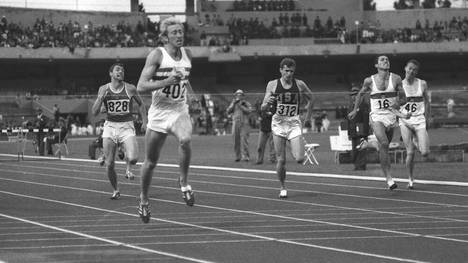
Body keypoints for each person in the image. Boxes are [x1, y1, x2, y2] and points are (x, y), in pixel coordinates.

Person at [136, 17, 197, 223]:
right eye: (174, 33)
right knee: (151, 162)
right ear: (165, 37)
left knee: (186, 139)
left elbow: (184, 78)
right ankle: (144, 200)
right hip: (159, 113)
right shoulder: (157, 55)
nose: (179, 35)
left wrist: (192, 94)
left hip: (179, 109)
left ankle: (184, 182)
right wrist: (166, 81)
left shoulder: (188, 54)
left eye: (181, 31)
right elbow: (141, 86)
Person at [348, 55, 410, 190]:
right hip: (376, 117)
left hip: (391, 116)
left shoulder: (396, 79)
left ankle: (369, 143)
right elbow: (360, 94)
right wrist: (354, 110)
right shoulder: (369, 81)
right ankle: (389, 179)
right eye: (382, 60)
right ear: (376, 65)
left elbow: (404, 99)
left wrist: (396, 105)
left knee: (384, 148)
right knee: (384, 143)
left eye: (387, 59)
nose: (386, 61)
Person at [91, 62, 147, 200]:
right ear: (111, 73)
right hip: (110, 127)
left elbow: (141, 104)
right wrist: (100, 97)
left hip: (126, 126)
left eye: (122, 70)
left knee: (133, 158)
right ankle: (116, 190)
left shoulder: (130, 88)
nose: (120, 72)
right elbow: (94, 112)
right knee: (110, 164)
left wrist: (145, 121)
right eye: (117, 70)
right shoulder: (103, 89)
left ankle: (128, 166)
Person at [261, 57, 314, 198]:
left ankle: (293, 144)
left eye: (291, 71)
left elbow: (312, 98)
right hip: (278, 123)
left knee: (299, 159)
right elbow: (263, 107)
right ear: (281, 70)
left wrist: (308, 117)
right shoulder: (272, 85)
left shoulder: (300, 84)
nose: (289, 74)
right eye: (286, 71)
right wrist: (268, 102)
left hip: (294, 123)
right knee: (281, 160)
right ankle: (282, 187)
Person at [399, 59, 431, 189]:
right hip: (405, 121)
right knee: (410, 152)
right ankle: (410, 179)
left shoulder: (422, 84)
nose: (411, 71)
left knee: (425, 153)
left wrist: (427, 118)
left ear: (417, 72)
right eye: (410, 68)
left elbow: (427, 102)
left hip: (419, 120)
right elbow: (394, 104)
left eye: (414, 69)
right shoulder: (399, 85)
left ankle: (416, 140)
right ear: (405, 68)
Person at [347, 84, 370, 170]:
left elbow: (366, 119)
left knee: (362, 149)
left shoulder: (364, 105)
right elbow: (349, 120)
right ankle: (357, 165)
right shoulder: (350, 106)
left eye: (355, 94)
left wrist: (365, 133)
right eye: (352, 95)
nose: (353, 97)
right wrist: (349, 133)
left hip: (361, 131)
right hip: (353, 131)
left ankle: (361, 166)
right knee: (354, 150)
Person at [227, 89, 253, 161]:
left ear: (242, 96)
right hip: (235, 122)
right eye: (237, 94)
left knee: (244, 140)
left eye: (240, 95)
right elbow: (228, 111)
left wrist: (241, 106)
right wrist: (233, 104)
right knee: (236, 140)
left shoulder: (246, 103)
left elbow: (249, 111)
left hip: (245, 123)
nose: (239, 96)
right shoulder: (233, 103)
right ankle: (238, 156)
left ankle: (246, 156)